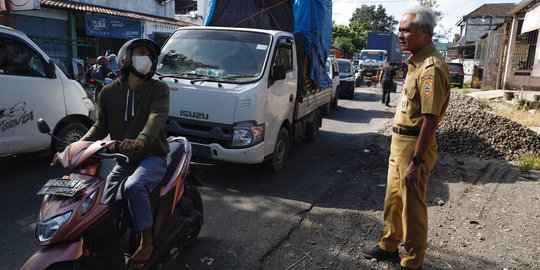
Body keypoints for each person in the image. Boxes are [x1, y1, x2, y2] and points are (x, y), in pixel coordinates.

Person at [360, 6, 450, 270]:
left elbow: (431, 120)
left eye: (406, 30)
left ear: (424, 32)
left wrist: (417, 161)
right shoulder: (416, 62)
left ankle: (412, 261)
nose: (400, 35)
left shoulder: (430, 68)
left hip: (414, 145)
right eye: (399, 29)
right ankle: (389, 245)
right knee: (393, 200)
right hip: (400, 143)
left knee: (412, 207)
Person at [80, 38, 170, 270]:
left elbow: (156, 118)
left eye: (150, 55)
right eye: (140, 52)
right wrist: (76, 147)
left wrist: (141, 140)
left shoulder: (158, 89)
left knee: (134, 187)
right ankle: (111, 245)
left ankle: (146, 242)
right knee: (103, 199)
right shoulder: (109, 92)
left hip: (152, 155)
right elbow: (100, 127)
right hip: (124, 160)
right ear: (125, 58)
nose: (146, 59)